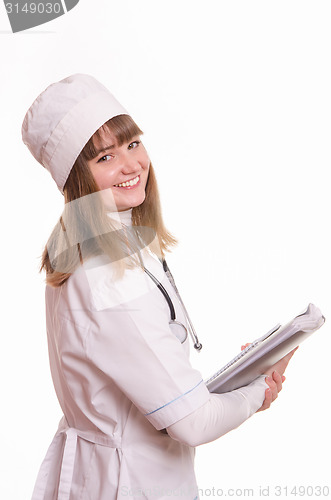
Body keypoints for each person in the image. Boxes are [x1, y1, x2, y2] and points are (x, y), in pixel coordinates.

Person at [22, 74, 295, 500]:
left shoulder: (88, 247)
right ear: (77, 178)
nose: (131, 166)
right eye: (105, 158)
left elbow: (157, 385)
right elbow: (192, 422)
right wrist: (257, 392)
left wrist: (242, 379)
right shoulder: (107, 275)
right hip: (128, 484)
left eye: (132, 144)